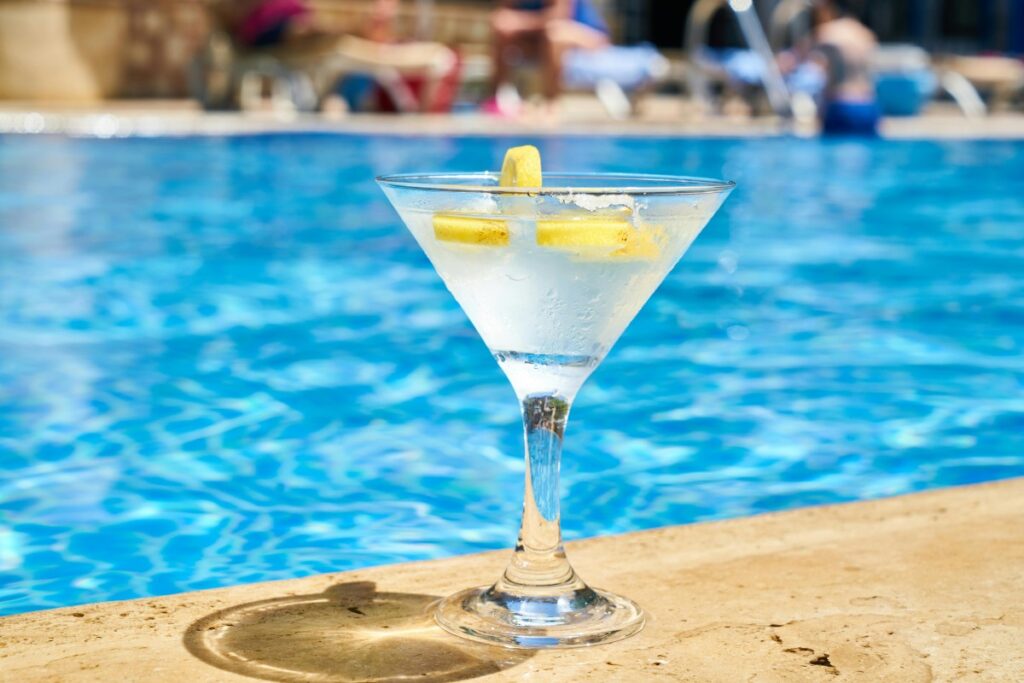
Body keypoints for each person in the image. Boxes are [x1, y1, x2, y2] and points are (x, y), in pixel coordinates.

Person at [209, 0, 457, 112]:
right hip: (271, 33)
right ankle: (341, 32)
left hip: (294, 28)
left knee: (331, 39)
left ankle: (341, 33)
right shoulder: (239, 13)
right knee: (325, 37)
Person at [487, 0, 610, 113]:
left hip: (589, 37)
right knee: (502, 29)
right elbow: (505, 14)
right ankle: (496, 97)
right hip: (540, 35)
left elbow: (559, 17)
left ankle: (551, 104)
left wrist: (520, 22)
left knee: (555, 34)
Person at [809, 0, 881, 135]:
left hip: (840, 104)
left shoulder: (827, 33)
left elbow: (809, 65)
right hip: (868, 104)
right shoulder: (865, 34)